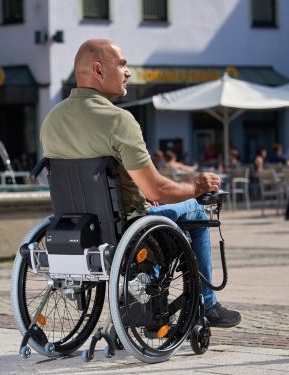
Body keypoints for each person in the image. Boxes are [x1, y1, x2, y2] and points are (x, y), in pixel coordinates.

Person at [40, 39, 240, 328]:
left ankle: (151, 295)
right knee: (195, 210)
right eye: (122, 64)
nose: (128, 72)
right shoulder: (118, 120)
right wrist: (196, 187)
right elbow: (156, 189)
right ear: (98, 70)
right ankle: (206, 304)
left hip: (78, 229)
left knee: (153, 211)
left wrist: (138, 194)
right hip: (125, 228)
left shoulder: (52, 119)